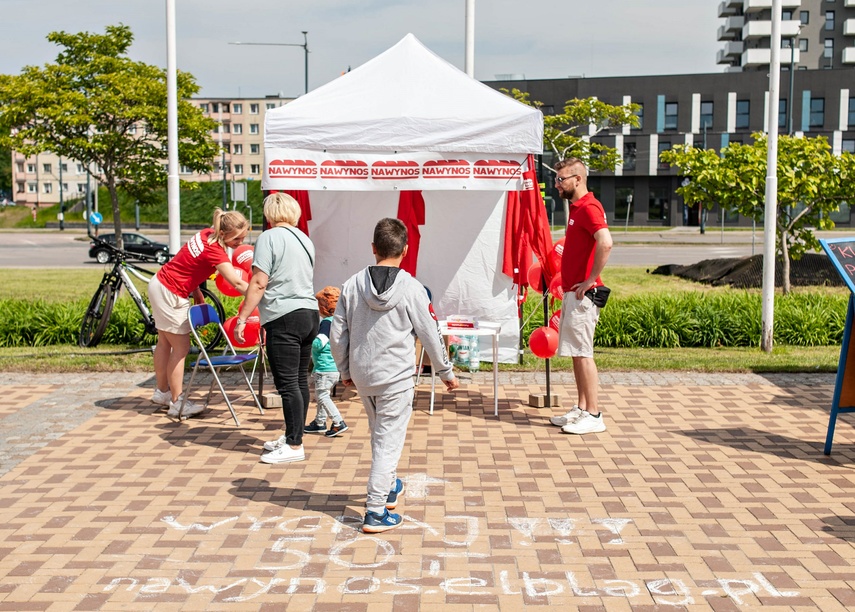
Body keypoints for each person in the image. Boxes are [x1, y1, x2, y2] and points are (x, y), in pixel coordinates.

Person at [331, 218, 459, 533]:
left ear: (373, 249)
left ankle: (389, 488)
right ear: (405, 249)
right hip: (396, 378)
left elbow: (337, 334)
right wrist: (445, 371)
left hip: (363, 375)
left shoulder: (351, 285)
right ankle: (375, 511)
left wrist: (345, 370)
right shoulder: (412, 288)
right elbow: (431, 332)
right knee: (388, 442)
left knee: (381, 435)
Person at [236, 192, 318, 465]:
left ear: (269, 215)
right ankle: (293, 435)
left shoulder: (268, 238)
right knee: (298, 381)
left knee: (287, 384)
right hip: (309, 314)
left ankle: (294, 445)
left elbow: (259, 282)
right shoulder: (305, 239)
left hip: (284, 317)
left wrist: (242, 317)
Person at [148, 208, 250, 419]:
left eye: (244, 237)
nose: (240, 242)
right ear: (223, 234)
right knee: (181, 348)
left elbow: (189, 264)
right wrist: (259, 294)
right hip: (171, 292)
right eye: (237, 238)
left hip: (160, 284)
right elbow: (237, 281)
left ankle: (162, 393)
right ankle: (177, 403)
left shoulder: (205, 234)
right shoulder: (216, 250)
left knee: (164, 343)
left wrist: (195, 291)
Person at [549, 158, 613, 435]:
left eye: (561, 179)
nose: (557, 184)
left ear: (577, 179)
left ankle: (594, 414)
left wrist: (589, 280)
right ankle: (582, 408)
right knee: (576, 353)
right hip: (574, 292)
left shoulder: (589, 208)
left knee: (584, 354)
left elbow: (606, 241)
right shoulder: (577, 209)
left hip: (584, 294)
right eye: (556, 179)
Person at [305, 286, 348, 438]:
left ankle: (338, 422)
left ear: (322, 308)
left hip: (324, 367)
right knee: (323, 394)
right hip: (335, 367)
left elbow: (320, 343)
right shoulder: (340, 322)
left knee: (322, 396)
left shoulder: (326, 323)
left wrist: (309, 341)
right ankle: (319, 422)